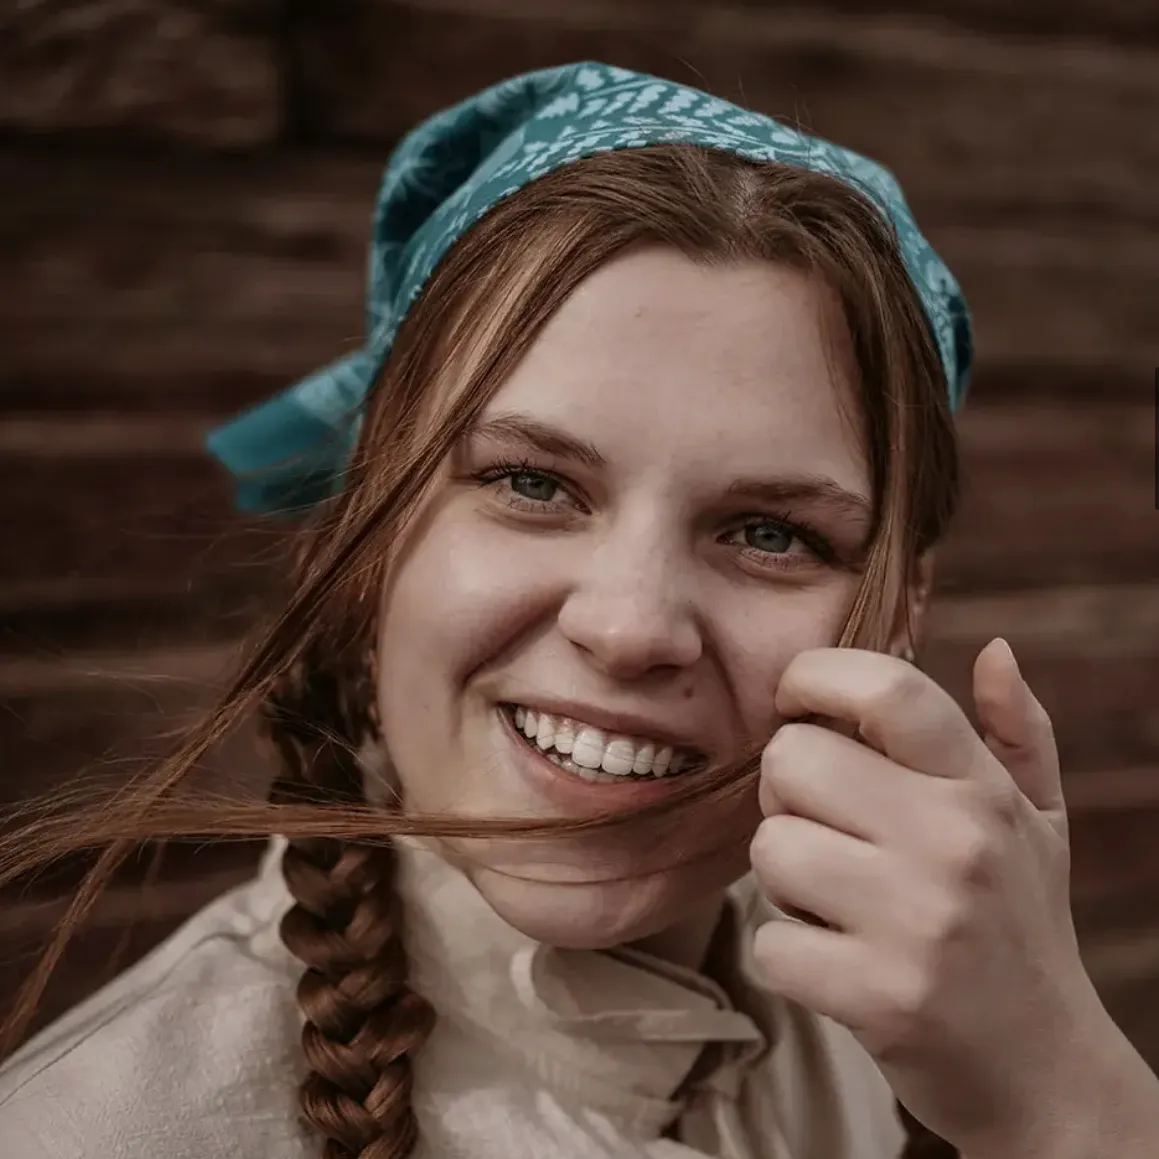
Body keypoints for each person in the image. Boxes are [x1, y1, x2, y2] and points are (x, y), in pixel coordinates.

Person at [0, 61, 1155, 1159]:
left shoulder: (913, 997)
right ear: (374, 533)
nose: (631, 625)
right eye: (531, 483)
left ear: (900, 610)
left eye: (769, 533)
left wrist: (1064, 1094)